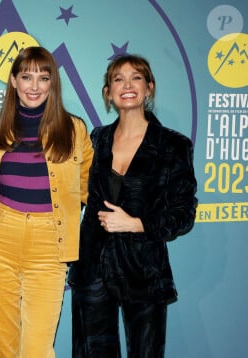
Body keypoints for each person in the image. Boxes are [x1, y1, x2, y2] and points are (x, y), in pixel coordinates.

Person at [68, 54, 198, 357]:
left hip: (143, 269)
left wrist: (136, 223)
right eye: (118, 79)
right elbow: (73, 191)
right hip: (92, 269)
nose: (127, 85)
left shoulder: (172, 145)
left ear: (149, 88)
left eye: (136, 77)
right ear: (107, 93)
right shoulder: (96, 139)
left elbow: (183, 212)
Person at [0, 46, 94, 357]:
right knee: (4, 348)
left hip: (49, 245)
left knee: (38, 349)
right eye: (26, 76)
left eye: (43, 77)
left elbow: (87, 186)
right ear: (13, 81)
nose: (35, 86)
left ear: (53, 82)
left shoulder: (75, 129)